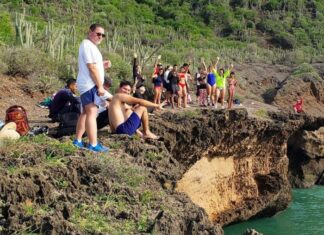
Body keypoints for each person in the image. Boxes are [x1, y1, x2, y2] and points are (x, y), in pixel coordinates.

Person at [74, 23, 111, 153]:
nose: (100, 36)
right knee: (92, 112)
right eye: (98, 33)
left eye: (103, 35)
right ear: (90, 32)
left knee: (85, 112)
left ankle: (77, 140)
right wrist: (100, 86)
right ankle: (93, 144)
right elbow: (91, 67)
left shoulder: (91, 46)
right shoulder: (87, 45)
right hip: (90, 84)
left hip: (87, 84)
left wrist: (102, 64)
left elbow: (93, 65)